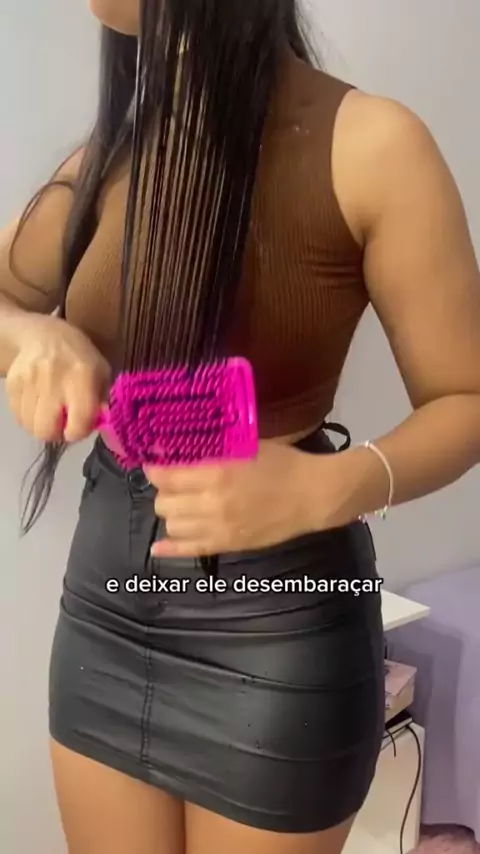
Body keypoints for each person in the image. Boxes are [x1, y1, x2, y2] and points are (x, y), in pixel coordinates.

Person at [1, 1, 480, 853]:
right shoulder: (110, 157)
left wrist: (330, 486)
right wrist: (34, 336)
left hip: (278, 630)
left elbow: (467, 397)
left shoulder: (373, 145)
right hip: (104, 614)